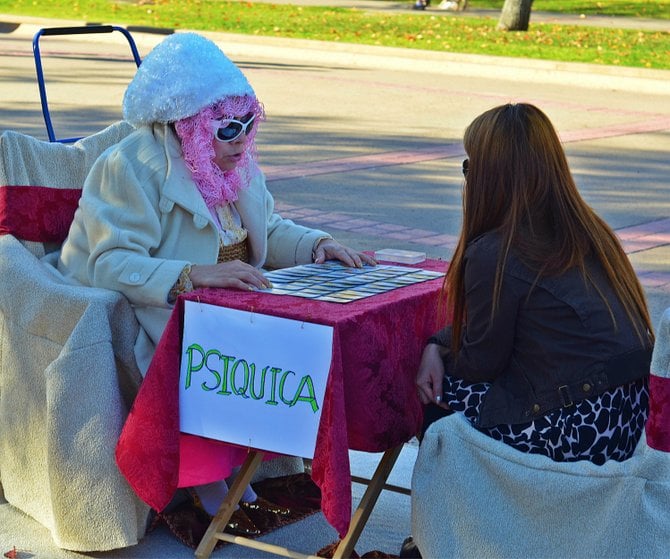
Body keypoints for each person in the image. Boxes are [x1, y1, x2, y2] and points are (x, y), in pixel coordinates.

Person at [57, 32, 375, 537]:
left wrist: (317, 245)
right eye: (229, 129)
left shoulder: (236, 162)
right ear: (190, 127)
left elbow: (265, 229)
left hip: (227, 302)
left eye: (250, 124)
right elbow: (106, 260)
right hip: (159, 305)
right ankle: (212, 487)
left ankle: (247, 471)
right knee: (213, 351)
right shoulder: (130, 166)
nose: (243, 140)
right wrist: (192, 275)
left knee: (302, 342)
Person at [415, 102, 654, 467]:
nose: (468, 178)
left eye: (470, 166)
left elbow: (481, 362)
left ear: (491, 176)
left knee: (435, 398)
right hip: (630, 418)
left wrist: (432, 355)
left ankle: (450, 522)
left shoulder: (495, 252)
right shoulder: (588, 230)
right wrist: (439, 344)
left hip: (582, 428)